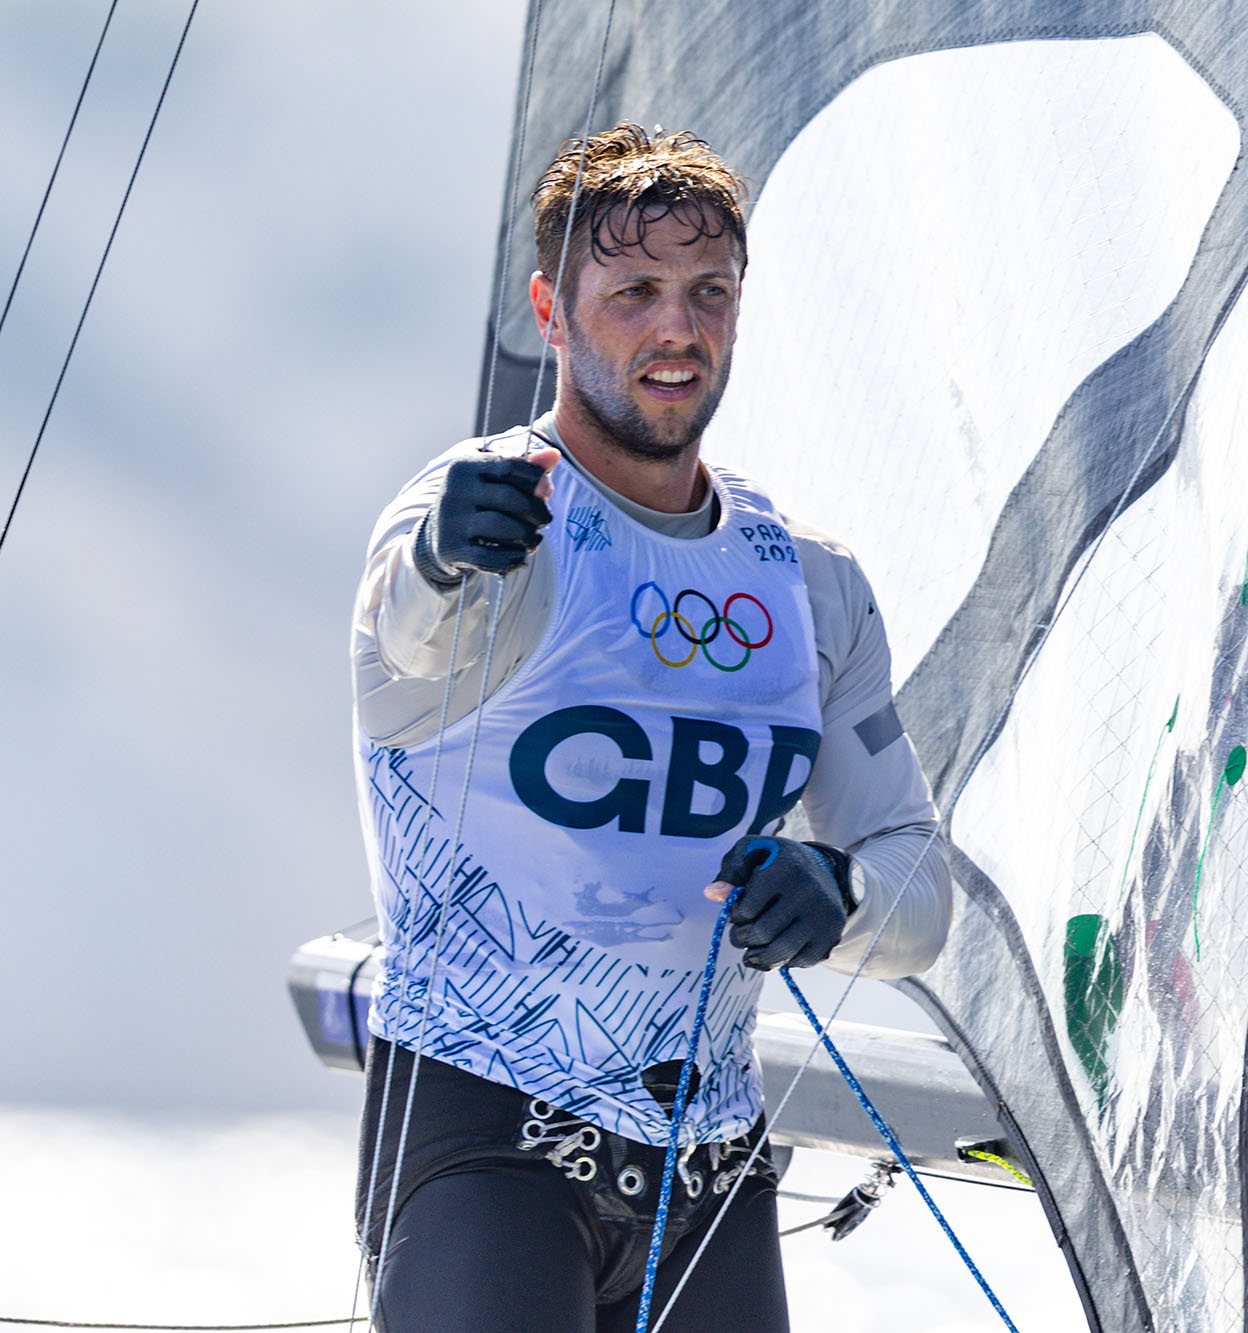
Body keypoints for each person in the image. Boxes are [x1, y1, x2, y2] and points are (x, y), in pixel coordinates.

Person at [349, 123, 952, 1331]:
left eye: (707, 292)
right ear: (550, 312)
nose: (676, 330)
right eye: (632, 293)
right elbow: (406, 632)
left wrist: (835, 890)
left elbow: (918, 889)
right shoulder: (483, 518)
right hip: (488, 1144)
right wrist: (436, 556)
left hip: (710, 1165)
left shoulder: (810, 582)